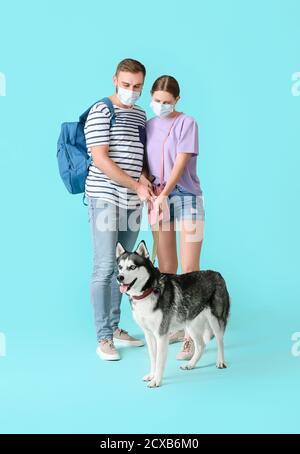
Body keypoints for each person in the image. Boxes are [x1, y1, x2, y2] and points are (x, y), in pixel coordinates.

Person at [84, 58, 154, 361]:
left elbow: (139, 156)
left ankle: (115, 328)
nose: (131, 90)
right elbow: (100, 158)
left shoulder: (140, 114)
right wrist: (134, 184)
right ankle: (103, 337)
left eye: (137, 86)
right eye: (126, 85)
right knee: (105, 267)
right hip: (104, 197)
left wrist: (143, 182)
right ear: (115, 80)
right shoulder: (101, 111)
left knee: (126, 268)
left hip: (132, 201)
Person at [145, 75, 205, 360]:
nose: (161, 106)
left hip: (185, 198)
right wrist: (149, 190)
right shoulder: (148, 126)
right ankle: (175, 327)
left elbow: (181, 162)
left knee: (190, 268)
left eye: (167, 102)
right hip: (157, 199)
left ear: (177, 101)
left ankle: (193, 337)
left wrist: (165, 192)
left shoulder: (187, 123)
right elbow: (144, 164)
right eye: (156, 101)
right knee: (167, 269)